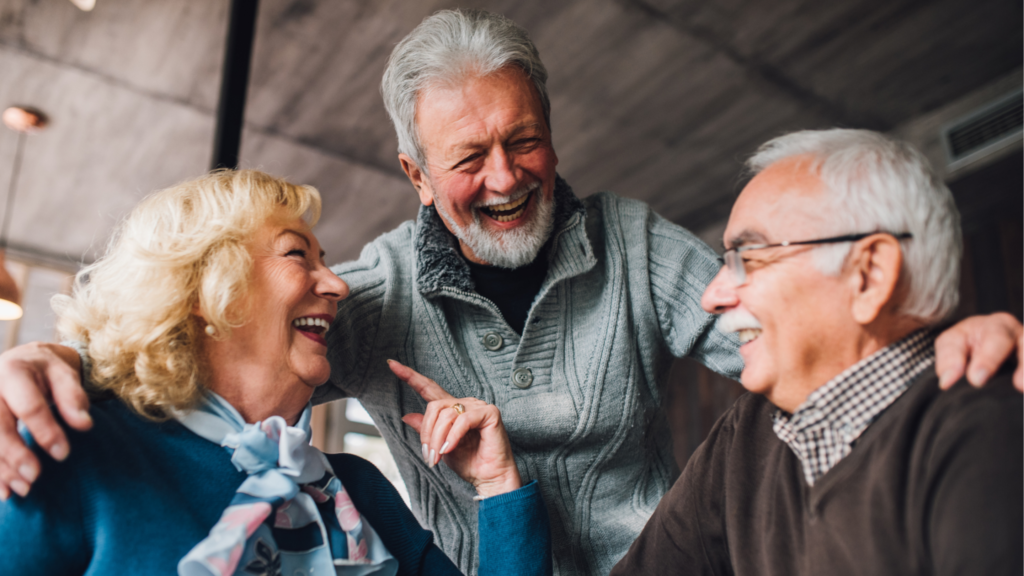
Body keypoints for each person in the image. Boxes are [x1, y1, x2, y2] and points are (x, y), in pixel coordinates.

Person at [0, 10, 1021, 576]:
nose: (504, 176)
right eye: (468, 156)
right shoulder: (373, 294)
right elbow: (219, 345)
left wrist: (927, 339)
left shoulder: (632, 245)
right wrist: (52, 364)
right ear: (412, 176)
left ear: (552, 135)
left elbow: (804, 343)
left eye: (523, 139)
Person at [0, 170, 551, 576]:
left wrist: (497, 485)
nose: (338, 285)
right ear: (206, 290)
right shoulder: (74, 449)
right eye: (297, 255)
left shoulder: (353, 490)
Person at [610, 129, 1023, 575]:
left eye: (747, 257)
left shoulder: (988, 432)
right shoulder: (745, 440)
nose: (711, 296)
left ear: (869, 275)